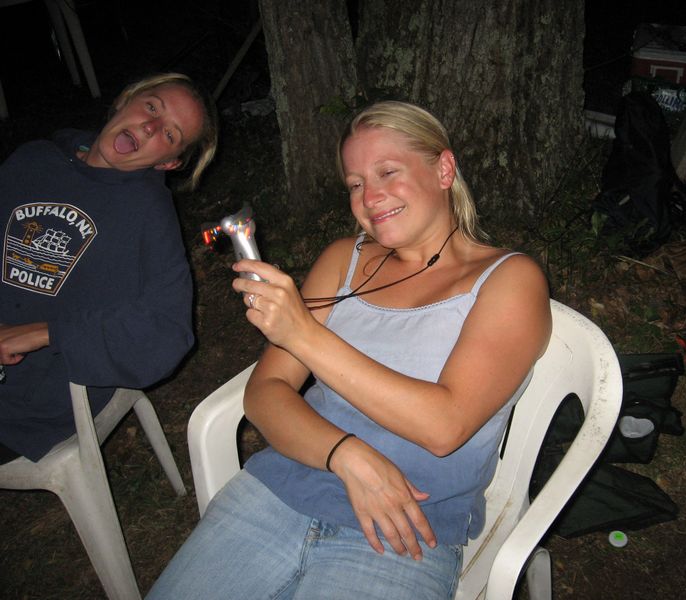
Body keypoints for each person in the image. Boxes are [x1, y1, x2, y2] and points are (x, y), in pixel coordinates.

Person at [147, 100, 551, 600]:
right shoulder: (344, 258)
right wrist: (345, 454)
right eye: (356, 183)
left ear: (444, 170)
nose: (370, 197)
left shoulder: (509, 279)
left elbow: (445, 427)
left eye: (388, 172)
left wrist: (304, 334)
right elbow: (266, 391)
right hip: (280, 490)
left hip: (405, 527)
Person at [0, 72, 218, 463]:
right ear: (124, 100)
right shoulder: (33, 161)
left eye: (169, 134)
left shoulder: (147, 214)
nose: (151, 126)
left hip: (29, 403)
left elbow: (166, 333)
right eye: (151, 107)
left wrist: (45, 333)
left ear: (167, 162)